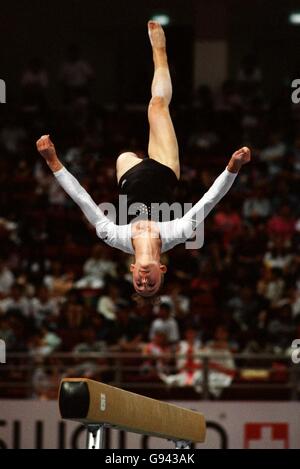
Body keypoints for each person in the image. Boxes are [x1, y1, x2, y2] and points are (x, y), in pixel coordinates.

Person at [36, 21, 251, 297]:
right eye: (152, 284)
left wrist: (53, 162)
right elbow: (210, 200)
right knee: (157, 105)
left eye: (140, 284)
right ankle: (159, 51)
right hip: (163, 167)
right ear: (162, 270)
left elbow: (82, 198)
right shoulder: (178, 232)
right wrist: (232, 169)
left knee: (124, 151)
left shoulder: (114, 236)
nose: (145, 282)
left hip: (128, 170)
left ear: (132, 270)